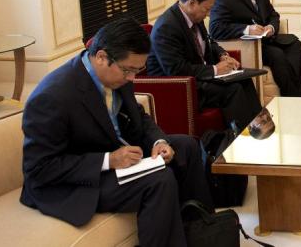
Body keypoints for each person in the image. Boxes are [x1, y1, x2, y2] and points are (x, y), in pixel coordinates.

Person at [21, 18, 213, 247]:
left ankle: (204, 236)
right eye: (129, 70)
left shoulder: (118, 76)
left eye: (137, 70)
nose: (133, 78)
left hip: (115, 153)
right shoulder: (53, 96)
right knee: (160, 180)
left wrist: (158, 141)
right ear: (102, 57)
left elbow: (139, 117)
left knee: (186, 146)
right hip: (74, 180)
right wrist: (108, 160)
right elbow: (39, 169)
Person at [147, 0, 261, 131]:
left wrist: (222, 54)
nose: (208, 15)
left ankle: (257, 128)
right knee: (232, 90)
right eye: (206, 9)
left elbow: (209, 42)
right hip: (178, 88)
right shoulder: (166, 27)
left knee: (244, 80)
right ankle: (239, 137)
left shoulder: (194, 17)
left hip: (198, 77)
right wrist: (215, 70)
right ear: (192, 3)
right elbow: (176, 70)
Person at [210, 0, 301, 97]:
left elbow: (273, 15)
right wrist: (246, 29)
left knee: (296, 46)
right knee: (277, 55)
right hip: (250, 46)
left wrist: (271, 27)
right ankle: (292, 97)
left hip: (268, 40)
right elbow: (215, 29)